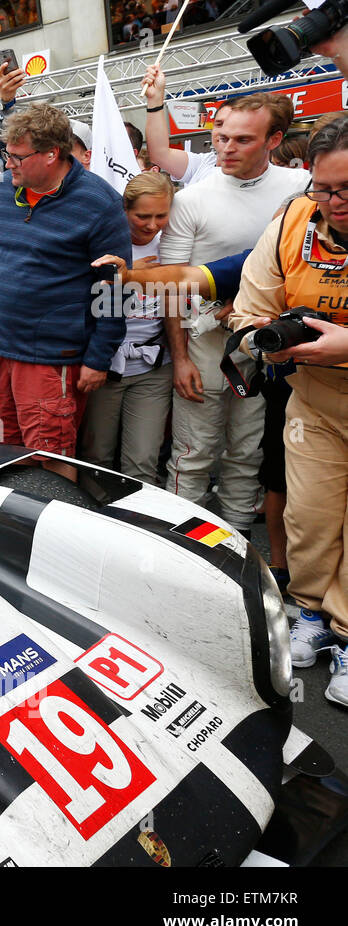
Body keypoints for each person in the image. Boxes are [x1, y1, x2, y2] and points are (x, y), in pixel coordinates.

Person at [227, 114, 348, 705]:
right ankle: (311, 613)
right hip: (313, 397)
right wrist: (265, 337)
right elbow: (248, 310)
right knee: (310, 514)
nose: (334, 202)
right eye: (324, 189)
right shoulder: (292, 223)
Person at [158, 92, 305, 534]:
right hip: (202, 343)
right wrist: (180, 358)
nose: (225, 148)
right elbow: (170, 284)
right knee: (194, 450)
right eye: (219, 137)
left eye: (242, 139)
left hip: (269, 343)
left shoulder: (300, 190)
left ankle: (238, 541)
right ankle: (183, 543)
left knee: (248, 450)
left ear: (273, 139)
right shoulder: (192, 199)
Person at [0, 104, 132, 477]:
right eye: (6, 153)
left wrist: (98, 358)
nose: (8, 164)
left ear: (52, 155)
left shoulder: (99, 203)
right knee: (5, 458)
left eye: (16, 156)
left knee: (50, 462)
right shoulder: (3, 189)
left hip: (54, 359)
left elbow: (113, 288)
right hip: (5, 352)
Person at [79, 171, 177, 484]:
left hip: (153, 367)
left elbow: (183, 302)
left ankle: (141, 525)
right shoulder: (105, 242)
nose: (152, 225)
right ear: (124, 211)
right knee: (96, 458)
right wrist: (132, 273)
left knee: (143, 462)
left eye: (161, 215)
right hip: (106, 365)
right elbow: (91, 301)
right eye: (142, 215)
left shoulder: (172, 245)